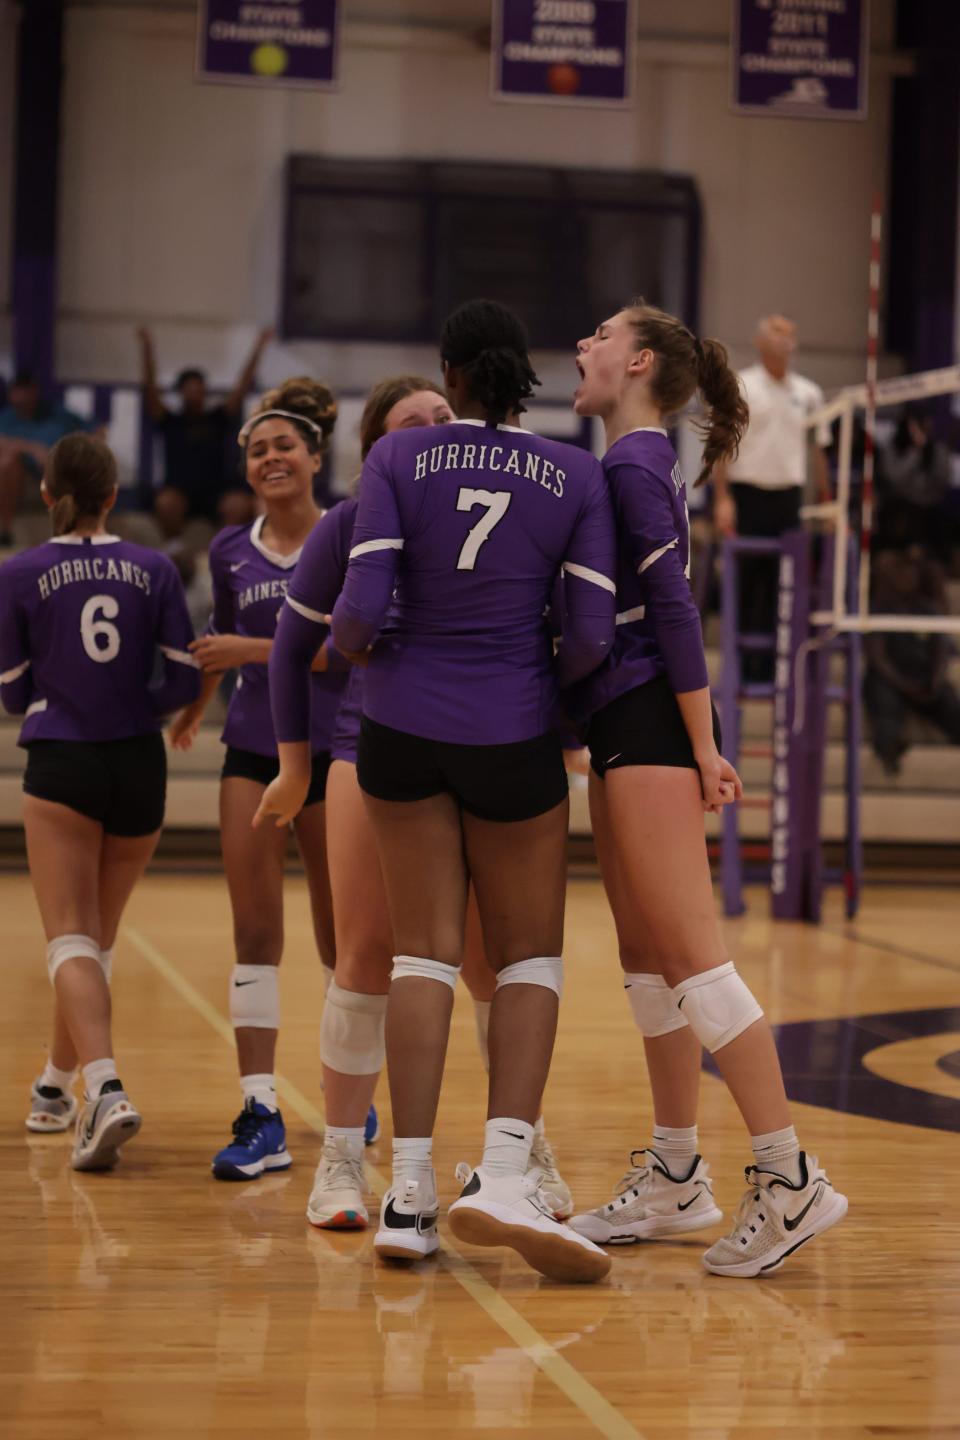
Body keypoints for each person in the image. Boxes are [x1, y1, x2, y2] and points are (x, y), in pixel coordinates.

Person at [259, 299, 616, 1284]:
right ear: (520, 374)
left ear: (451, 376)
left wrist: (382, 651)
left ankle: (408, 1192)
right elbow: (589, 636)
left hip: (399, 734)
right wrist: (543, 684)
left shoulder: (395, 466)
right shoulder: (576, 472)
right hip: (511, 730)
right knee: (526, 960)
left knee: (419, 955)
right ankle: (503, 1171)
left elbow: (357, 618)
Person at [567, 300, 847, 1276]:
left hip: (652, 718)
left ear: (639, 360)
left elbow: (676, 608)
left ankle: (790, 1175)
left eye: (600, 335)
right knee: (645, 954)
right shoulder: (626, 462)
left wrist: (701, 739)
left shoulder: (637, 462)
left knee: (692, 957)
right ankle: (677, 1173)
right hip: (620, 720)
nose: (582, 346)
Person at [0, 433, 199, 1168]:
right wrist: (133, 704)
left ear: (47, 495)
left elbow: (13, 692)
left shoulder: (20, 570)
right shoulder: (154, 567)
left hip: (63, 760)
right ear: (115, 496)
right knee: (94, 941)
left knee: (68, 940)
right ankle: (55, 1088)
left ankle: (105, 1087)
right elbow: (182, 682)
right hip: (138, 763)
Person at [167, 377, 346, 1181]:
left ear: (315, 457)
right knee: (255, 931)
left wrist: (249, 653)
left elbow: (342, 651)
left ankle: (350, 1089)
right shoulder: (231, 548)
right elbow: (221, 636)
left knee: (343, 938)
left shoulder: (346, 534)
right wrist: (194, 703)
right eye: (257, 449)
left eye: (284, 446)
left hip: (334, 748)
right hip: (252, 747)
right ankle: (261, 1109)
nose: (270, 457)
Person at [711, 315, 832, 681]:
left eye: (790, 333)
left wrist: (827, 501)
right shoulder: (741, 385)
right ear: (761, 342)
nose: (785, 340)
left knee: (786, 585)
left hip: (787, 498)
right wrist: (722, 498)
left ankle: (775, 669)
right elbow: (722, 444)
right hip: (748, 495)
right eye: (777, 333)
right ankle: (740, 668)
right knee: (746, 583)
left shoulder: (808, 393)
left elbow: (818, 453)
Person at [136, 326, 273, 541]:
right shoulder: (170, 421)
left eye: (199, 389)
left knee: (239, 504)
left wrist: (259, 347)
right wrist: (147, 349)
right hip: (180, 490)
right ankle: (174, 545)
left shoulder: (217, 418)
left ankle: (228, 547)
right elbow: (150, 391)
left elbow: (241, 388)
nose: (195, 394)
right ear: (181, 392)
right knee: (166, 503)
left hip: (216, 491)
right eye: (190, 389)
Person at [863, 548, 960, 774]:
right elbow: (877, 656)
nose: (909, 578)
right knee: (882, 697)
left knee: (947, 697)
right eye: (903, 573)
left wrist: (935, 681)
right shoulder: (880, 608)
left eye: (912, 573)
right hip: (892, 678)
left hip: (922, 676)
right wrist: (904, 685)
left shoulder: (926, 608)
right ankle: (889, 748)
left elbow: (941, 650)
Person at [0, 371, 95, 546]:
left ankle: (77, 529)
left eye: (26, 390)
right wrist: (33, 449)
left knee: (68, 466)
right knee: (7, 463)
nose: (22, 396)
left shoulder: (59, 415)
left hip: (57, 473)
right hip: (24, 478)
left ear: (34, 391)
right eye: (17, 390)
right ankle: (5, 532)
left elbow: (93, 432)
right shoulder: (6, 419)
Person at [876, 406, 951, 556]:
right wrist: (915, 452)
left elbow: (942, 480)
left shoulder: (937, 449)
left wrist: (927, 449)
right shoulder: (893, 448)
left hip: (929, 507)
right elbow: (894, 479)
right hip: (900, 506)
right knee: (902, 514)